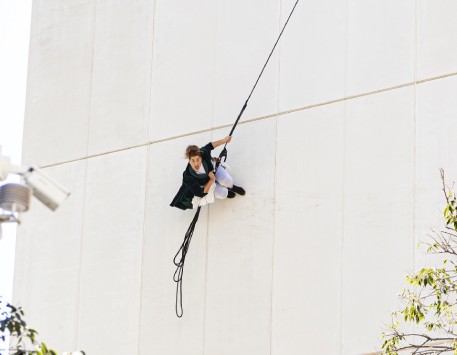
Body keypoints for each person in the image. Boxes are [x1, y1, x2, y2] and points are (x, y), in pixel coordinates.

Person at [170, 136, 245, 210]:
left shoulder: (203, 152)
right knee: (222, 194)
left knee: (227, 181)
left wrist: (224, 140)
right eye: (193, 160)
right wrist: (211, 180)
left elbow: (210, 145)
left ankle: (233, 187)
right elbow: (201, 193)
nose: (196, 163)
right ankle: (227, 192)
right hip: (208, 185)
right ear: (189, 161)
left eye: (198, 159)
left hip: (214, 170)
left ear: (201, 157)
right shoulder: (187, 177)